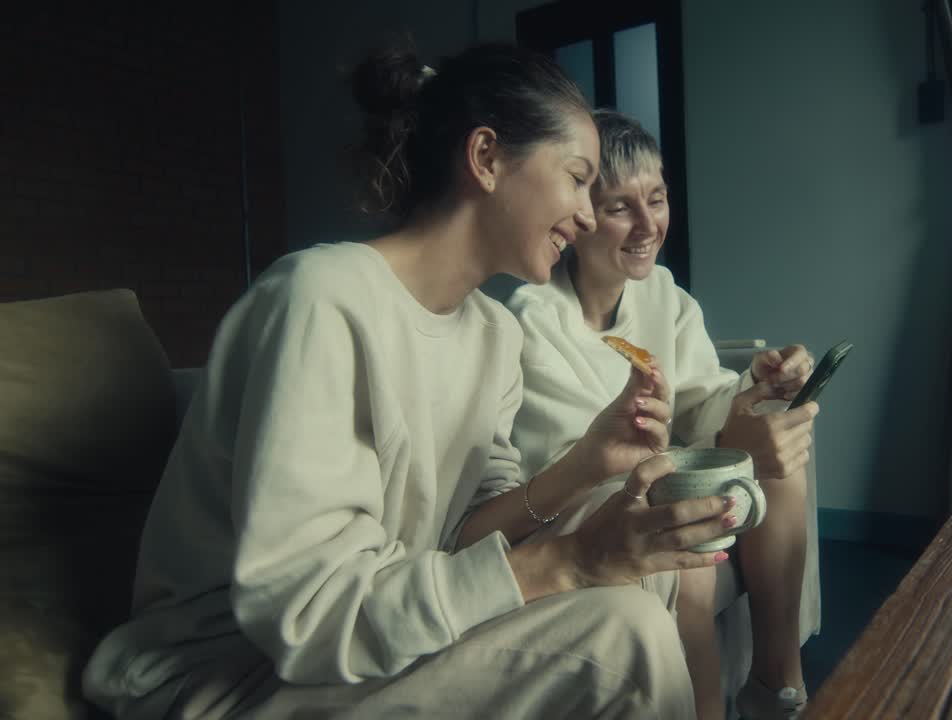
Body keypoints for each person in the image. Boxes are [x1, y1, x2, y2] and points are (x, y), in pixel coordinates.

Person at [80, 44, 736, 719]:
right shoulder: (318, 299)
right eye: (577, 177)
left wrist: (585, 465)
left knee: (637, 548)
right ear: (486, 159)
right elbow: (309, 618)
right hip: (235, 669)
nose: (591, 216)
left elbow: (462, 538)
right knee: (622, 638)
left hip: (376, 641)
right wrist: (568, 563)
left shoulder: (492, 333)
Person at [506, 109, 818, 720]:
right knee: (691, 549)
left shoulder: (665, 296)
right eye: (622, 207)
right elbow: (593, 462)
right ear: (580, 215)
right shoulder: (533, 320)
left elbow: (702, 399)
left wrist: (755, 395)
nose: (649, 225)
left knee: (782, 463)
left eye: (657, 199)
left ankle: (777, 683)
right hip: (582, 497)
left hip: (653, 474)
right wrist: (731, 437)